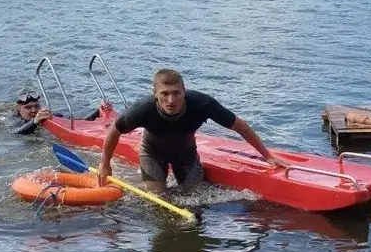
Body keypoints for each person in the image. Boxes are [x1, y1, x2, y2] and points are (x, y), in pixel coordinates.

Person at [97, 68, 289, 195]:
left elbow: (240, 125)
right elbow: (115, 130)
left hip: (186, 153)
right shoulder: (142, 109)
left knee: (194, 196)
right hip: (152, 153)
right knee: (157, 198)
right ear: (155, 93)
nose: (171, 100)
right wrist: (104, 164)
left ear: (184, 90)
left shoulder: (202, 104)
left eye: (176, 93)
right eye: (164, 94)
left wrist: (267, 156)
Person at [7, 90, 110, 135]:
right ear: (19, 110)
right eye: (28, 108)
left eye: (36, 106)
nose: (34, 110)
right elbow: (15, 132)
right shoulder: (14, 118)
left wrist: (100, 110)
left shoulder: (47, 114)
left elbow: (76, 121)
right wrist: (34, 122)